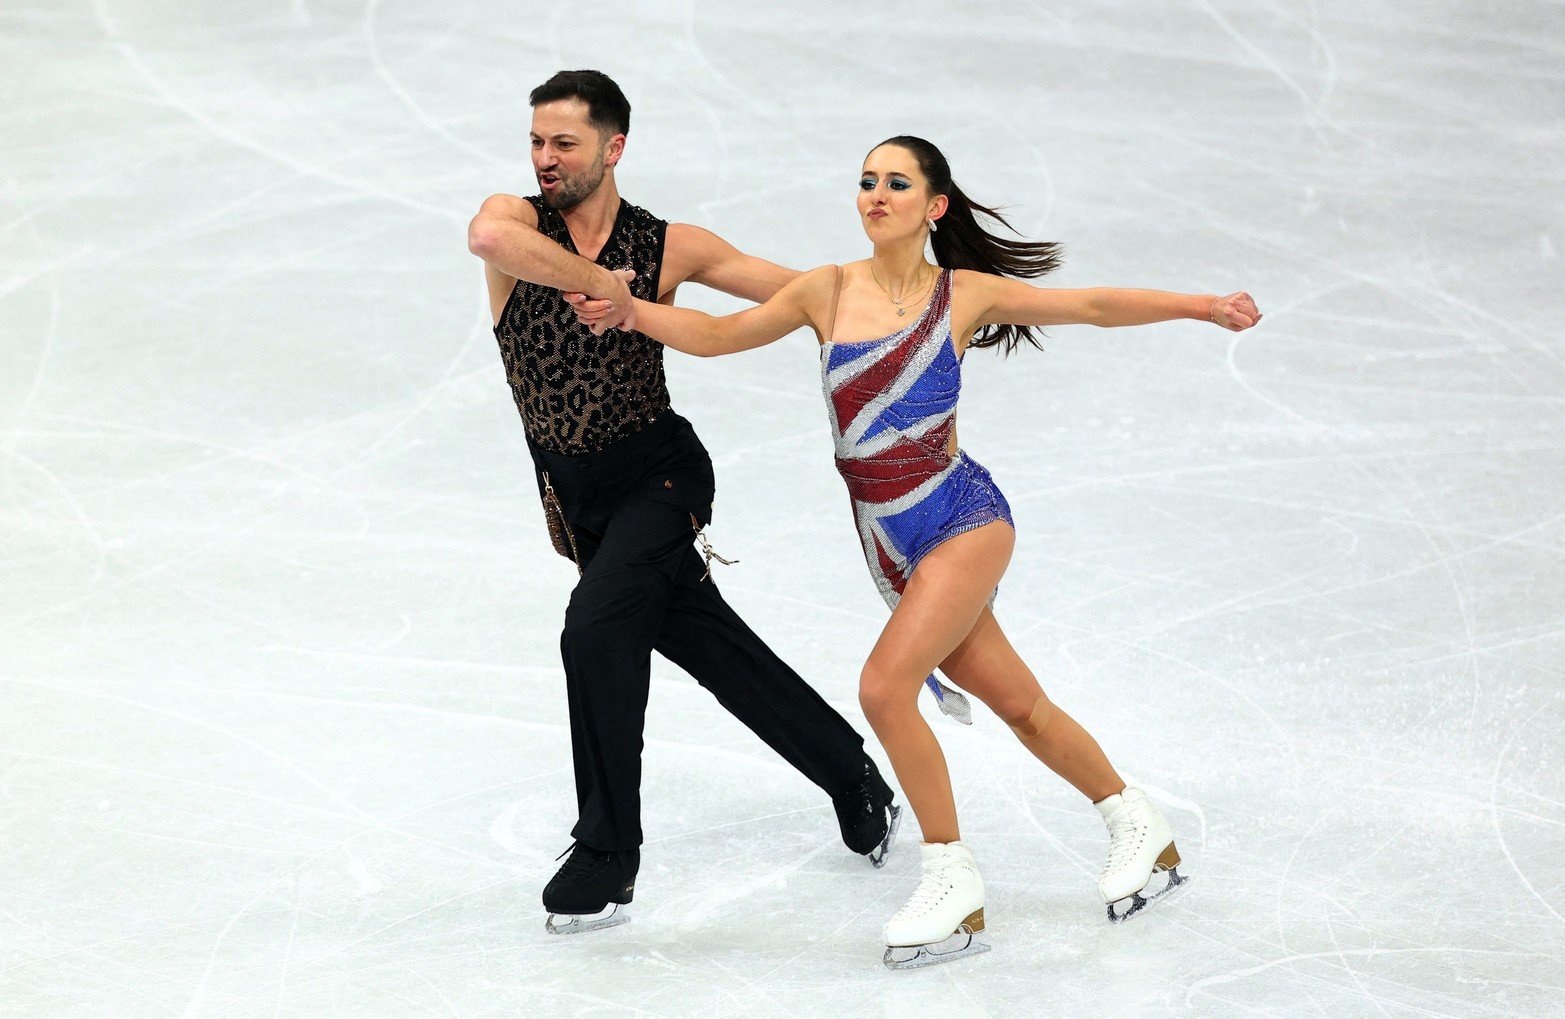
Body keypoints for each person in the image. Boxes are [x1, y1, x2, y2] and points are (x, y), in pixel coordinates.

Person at [567, 134, 1261, 966]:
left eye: (896, 183)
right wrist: (634, 312)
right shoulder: (824, 290)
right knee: (1019, 705)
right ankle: (1135, 822)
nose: (876, 194)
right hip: (887, 542)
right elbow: (721, 335)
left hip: (962, 517)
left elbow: (1089, 306)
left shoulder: (962, 295)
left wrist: (1198, 305)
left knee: (884, 687)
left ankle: (950, 878)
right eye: (866, 181)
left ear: (933, 206)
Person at [465, 70, 901, 935]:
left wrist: (910, 307)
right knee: (715, 651)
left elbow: (797, 293)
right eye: (536, 142)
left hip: (662, 476)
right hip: (580, 502)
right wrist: (603, 283)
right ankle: (852, 776)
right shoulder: (516, 223)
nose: (545, 159)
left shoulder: (670, 246)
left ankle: (606, 854)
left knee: (594, 626)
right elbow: (486, 237)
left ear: (613, 149)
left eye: (565, 144)